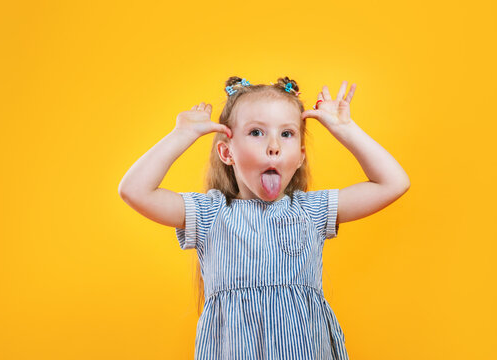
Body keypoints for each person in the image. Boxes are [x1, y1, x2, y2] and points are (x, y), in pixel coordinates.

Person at [118, 76, 410, 359]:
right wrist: (181, 135)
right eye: (256, 132)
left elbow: (393, 183)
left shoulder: (311, 210)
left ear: (300, 157)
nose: (274, 145)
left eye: (287, 133)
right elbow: (135, 190)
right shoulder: (209, 214)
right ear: (227, 152)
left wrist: (345, 129)